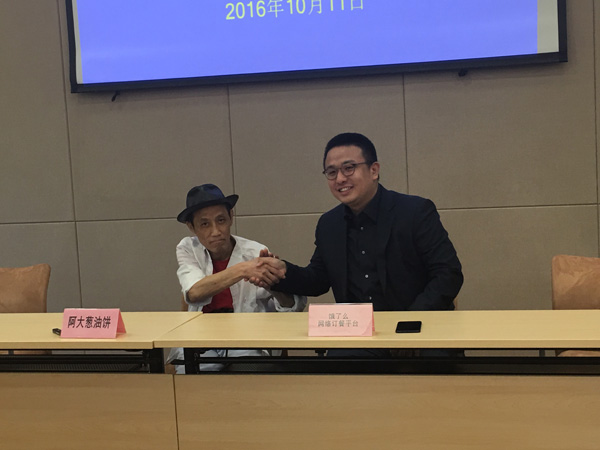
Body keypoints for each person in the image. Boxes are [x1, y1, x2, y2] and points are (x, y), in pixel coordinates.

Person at [254, 132, 463, 357]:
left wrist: (409, 323)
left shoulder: (415, 212)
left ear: (374, 170)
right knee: (330, 369)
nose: (340, 179)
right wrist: (282, 271)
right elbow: (317, 280)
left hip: (419, 331)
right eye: (331, 172)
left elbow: (448, 273)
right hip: (358, 338)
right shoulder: (329, 224)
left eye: (349, 168)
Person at [169, 183, 306, 372]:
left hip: (245, 338)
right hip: (201, 339)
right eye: (205, 224)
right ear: (191, 227)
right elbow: (193, 292)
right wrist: (243, 270)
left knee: (247, 373)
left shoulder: (255, 252)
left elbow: (292, 309)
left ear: (231, 217)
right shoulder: (188, 248)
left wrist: (273, 286)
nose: (216, 231)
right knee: (196, 376)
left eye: (221, 220)